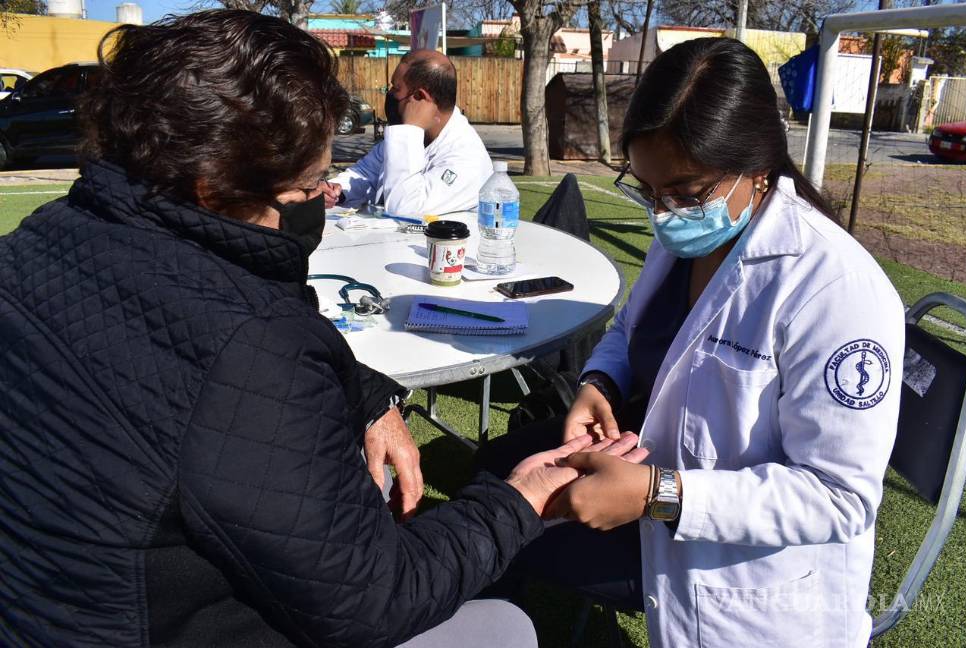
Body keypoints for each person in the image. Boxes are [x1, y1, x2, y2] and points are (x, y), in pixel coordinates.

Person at [0, 11, 648, 648]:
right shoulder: (252, 346)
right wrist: (521, 499)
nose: (316, 198)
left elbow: (196, 347)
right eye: (308, 184)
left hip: (53, 606)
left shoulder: (36, 242)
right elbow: (374, 600)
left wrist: (367, 397)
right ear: (214, 185)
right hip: (160, 623)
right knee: (506, 628)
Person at [479, 37, 905, 648]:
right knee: (497, 476)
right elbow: (630, 329)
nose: (664, 214)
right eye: (648, 191)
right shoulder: (687, 238)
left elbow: (839, 497)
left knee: (509, 522)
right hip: (647, 484)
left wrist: (661, 495)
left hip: (736, 570)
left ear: (759, 168)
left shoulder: (834, 290)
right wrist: (600, 383)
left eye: (685, 192)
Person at [322, 49, 493, 217]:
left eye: (395, 88)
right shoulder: (419, 135)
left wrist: (409, 131)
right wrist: (337, 191)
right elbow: (365, 174)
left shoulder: (467, 159)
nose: (390, 94)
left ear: (419, 97)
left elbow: (404, 208)